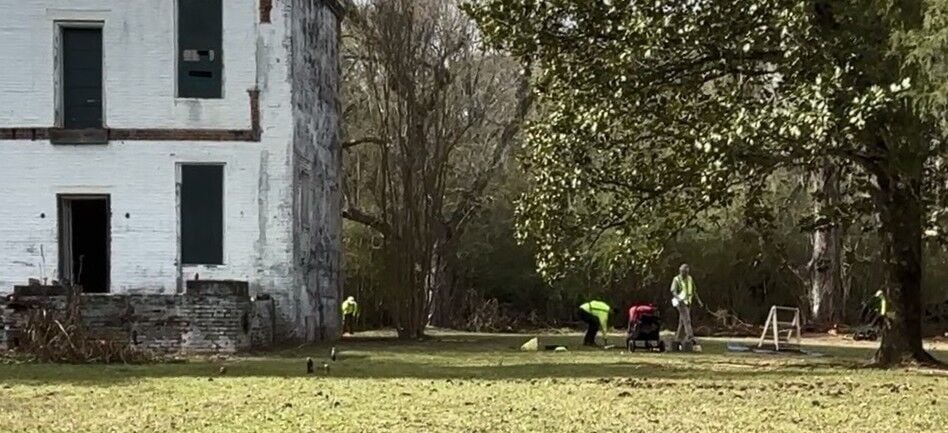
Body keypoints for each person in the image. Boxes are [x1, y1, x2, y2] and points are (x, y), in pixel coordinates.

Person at [670, 264, 702, 343]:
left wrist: (699, 301)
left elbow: (694, 291)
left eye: (686, 272)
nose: (685, 274)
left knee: (682, 321)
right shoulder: (676, 279)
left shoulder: (690, 279)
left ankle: (677, 339)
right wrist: (678, 298)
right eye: (684, 272)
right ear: (680, 271)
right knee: (687, 319)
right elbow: (673, 291)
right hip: (680, 303)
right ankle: (690, 336)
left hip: (688, 302)